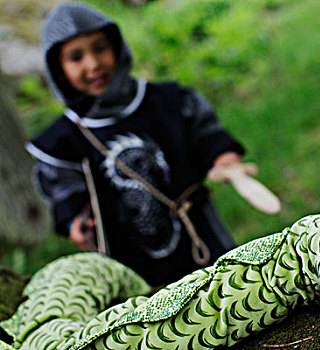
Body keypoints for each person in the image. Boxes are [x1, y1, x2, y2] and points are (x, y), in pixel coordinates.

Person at [26, 2, 245, 286]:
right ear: (58, 70)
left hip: (199, 235)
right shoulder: (63, 141)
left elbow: (206, 136)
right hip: (132, 257)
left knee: (227, 290)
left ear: (117, 47)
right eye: (76, 57)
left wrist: (224, 159)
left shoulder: (166, 102)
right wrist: (76, 224)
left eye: (100, 48)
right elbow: (66, 193)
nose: (92, 64)